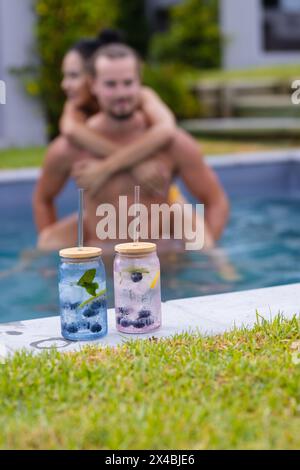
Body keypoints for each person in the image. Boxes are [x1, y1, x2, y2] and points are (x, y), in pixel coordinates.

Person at [34, 42, 229, 253]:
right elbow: (43, 199)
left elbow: (216, 201)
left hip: (164, 270)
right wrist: (55, 260)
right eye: (110, 84)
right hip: (102, 270)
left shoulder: (173, 144)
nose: (121, 93)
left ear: (140, 82)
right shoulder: (69, 149)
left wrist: (203, 261)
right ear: (93, 85)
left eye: (127, 83)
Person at [33, 29, 186, 237]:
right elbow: (70, 130)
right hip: (109, 217)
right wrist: (136, 163)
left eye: (73, 75)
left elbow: (167, 128)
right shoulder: (76, 108)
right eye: (65, 76)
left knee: (196, 233)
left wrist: (106, 168)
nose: (65, 84)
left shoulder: (136, 96)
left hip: (163, 200)